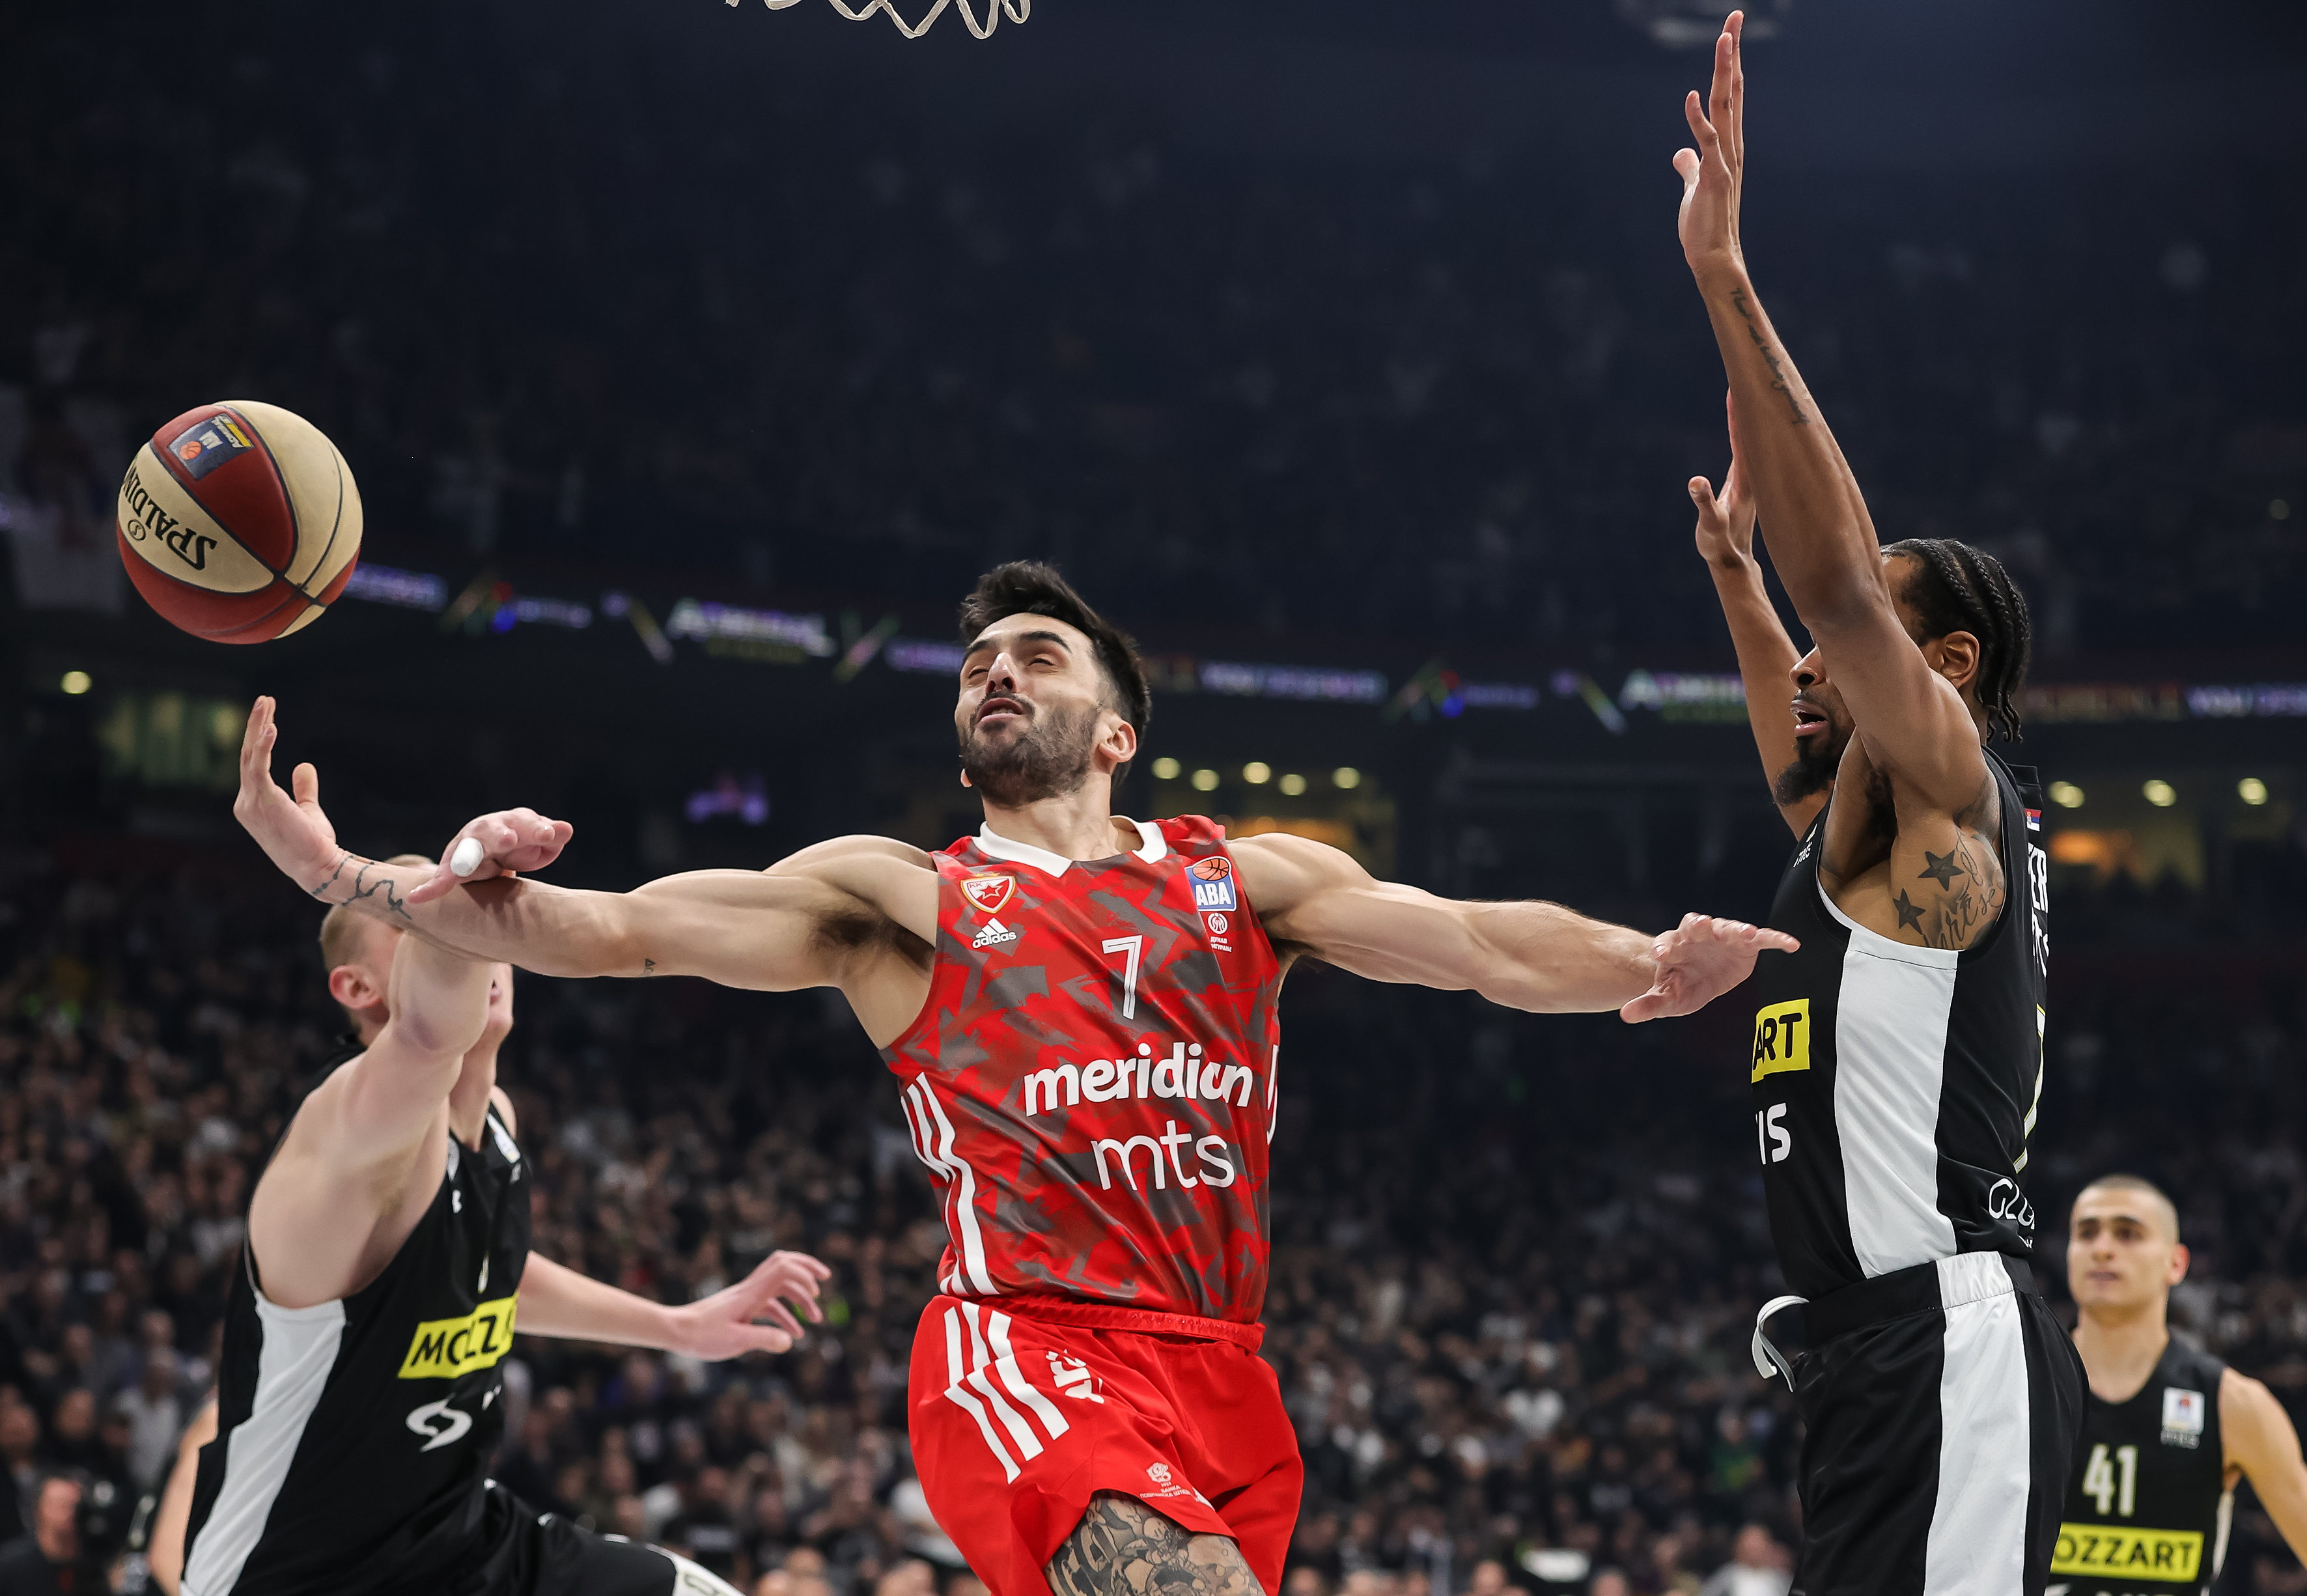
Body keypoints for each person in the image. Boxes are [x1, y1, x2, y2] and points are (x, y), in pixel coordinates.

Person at [229, 560, 1797, 1596]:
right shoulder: (903, 895)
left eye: (1033, 657)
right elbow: (620, 931)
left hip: (1224, 1376)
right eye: (974, 662)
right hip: (1021, 1353)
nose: (993, 673)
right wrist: (367, 877)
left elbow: (1471, 941)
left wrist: (1641, 964)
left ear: (1114, 726)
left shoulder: (1239, 881)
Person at [1674, 14, 2082, 1595]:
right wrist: (1727, 566)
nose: (1812, 659)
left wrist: (1725, 277)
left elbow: (1839, 583)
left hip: (1943, 1340)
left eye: (1858, 649)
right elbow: (1796, 735)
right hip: (1871, 1356)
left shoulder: (1951, 795)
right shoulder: (1871, 833)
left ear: (1951, 665)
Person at [144, 866, 832, 1596]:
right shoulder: (351, 1128)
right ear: (356, 990)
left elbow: (487, 1275)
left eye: (484, 920)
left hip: (458, 1542)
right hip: (305, 1570)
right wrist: (468, 862)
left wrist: (677, 1328)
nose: (476, 939)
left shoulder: (494, 1122)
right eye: (418, 926)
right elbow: (426, 1031)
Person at [2060, 1174, 2307, 1594]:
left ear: (2176, 1263)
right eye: (2086, 1233)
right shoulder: (2016, 1383)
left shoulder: (2234, 1403)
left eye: (2128, 1233)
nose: (2102, 1248)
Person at [0, 1472, 99, 1596]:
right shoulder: (9, 1566)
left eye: (75, 1505)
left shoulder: (94, 1568)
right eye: (60, 1504)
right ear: (38, 1510)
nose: (70, 1512)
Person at [1696, 1526, 1789, 1596]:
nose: (1754, 1552)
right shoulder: (1727, 1576)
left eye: (1758, 1547)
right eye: (1750, 1547)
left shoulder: (1779, 1579)